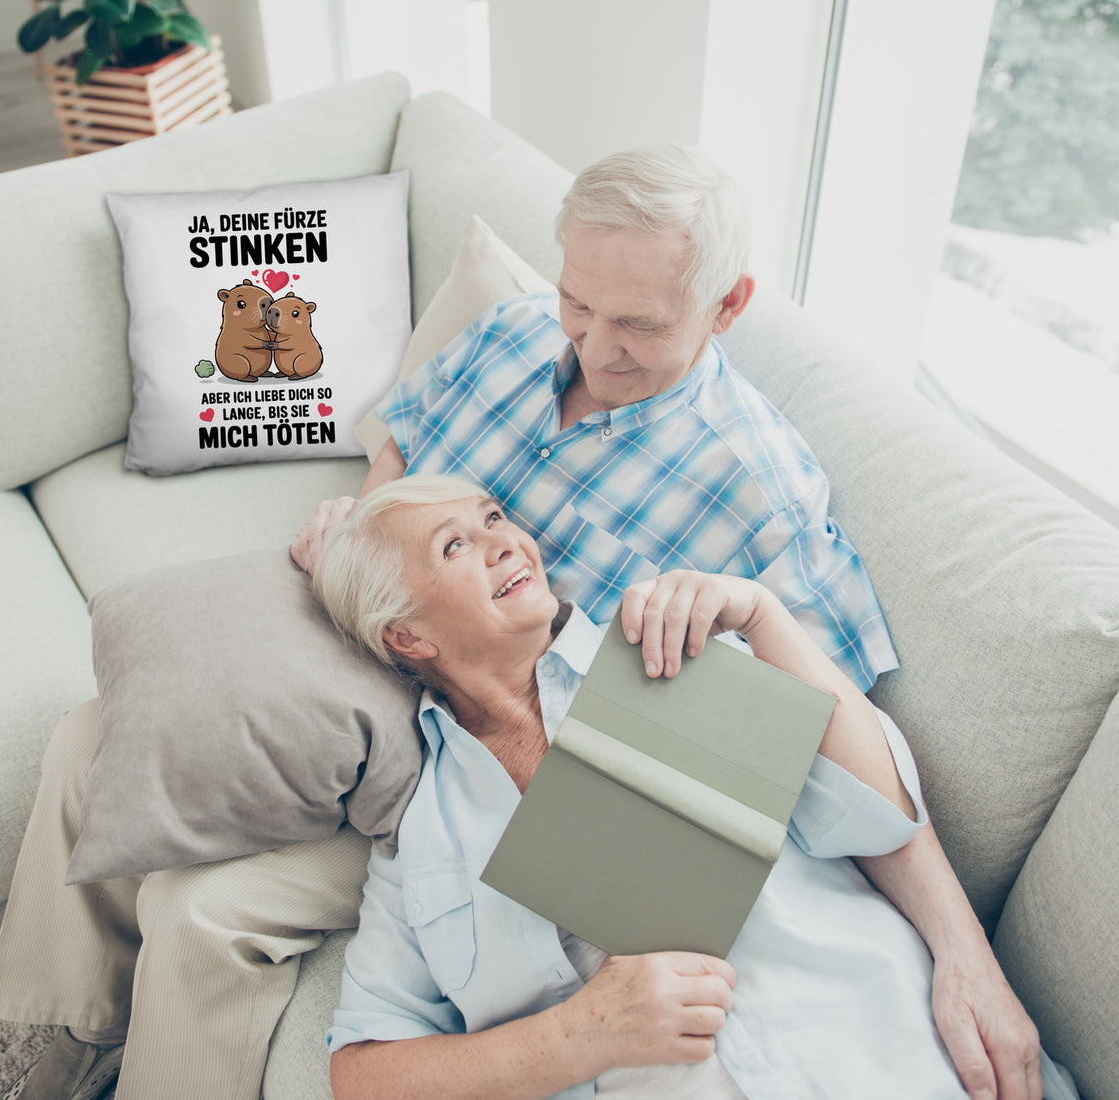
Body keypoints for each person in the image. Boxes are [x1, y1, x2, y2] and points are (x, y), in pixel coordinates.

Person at [293, 146, 1041, 1099]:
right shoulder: (513, 336)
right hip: (396, 720)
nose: (594, 348)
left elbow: (850, 771)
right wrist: (367, 543)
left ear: (727, 306)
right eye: (578, 304)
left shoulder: (734, 548)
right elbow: (405, 435)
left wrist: (963, 953)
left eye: (638, 324)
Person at [312, 475, 1066, 1100]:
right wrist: (577, 1036)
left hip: (890, 1053)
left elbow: (878, 815)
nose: (506, 541)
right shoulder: (421, 837)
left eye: (494, 518)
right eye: (455, 545)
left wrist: (764, 617)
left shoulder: (667, 648)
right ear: (407, 636)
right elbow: (363, 1073)